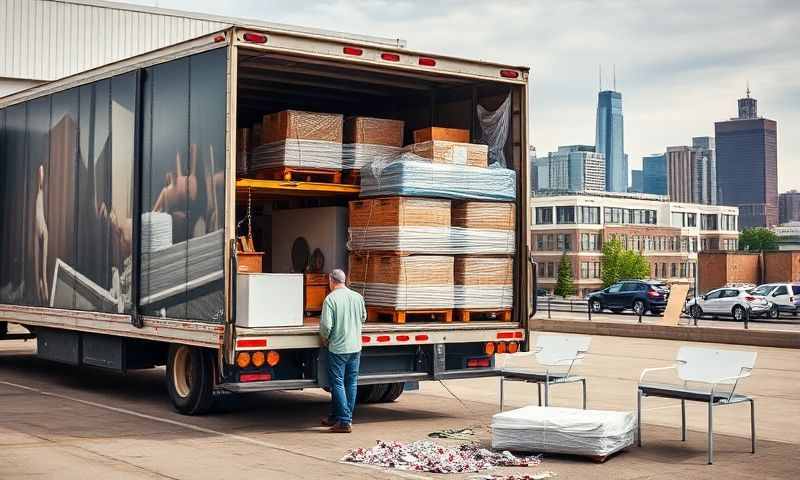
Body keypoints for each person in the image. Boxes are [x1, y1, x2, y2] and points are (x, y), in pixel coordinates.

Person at [319, 269, 366, 433]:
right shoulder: (358, 297)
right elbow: (363, 317)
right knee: (351, 382)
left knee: (337, 383)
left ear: (331, 281)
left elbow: (326, 326)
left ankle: (345, 421)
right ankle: (336, 416)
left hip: (338, 348)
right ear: (344, 280)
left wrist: (325, 339)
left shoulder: (330, 299)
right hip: (355, 347)